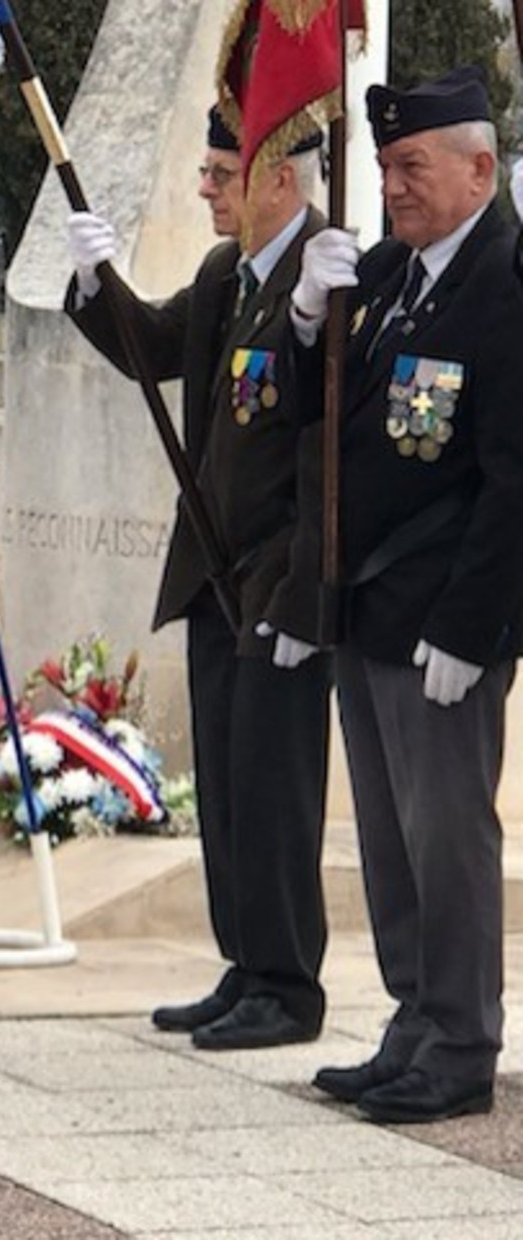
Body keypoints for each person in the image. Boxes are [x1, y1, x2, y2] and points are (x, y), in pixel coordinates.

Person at [264, 66, 523, 1123]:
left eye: (412, 166)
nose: (393, 186)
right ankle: (414, 1017)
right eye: (384, 167)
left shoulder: (506, 286)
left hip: (444, 621)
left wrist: (475, 624)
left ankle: (461, 1041)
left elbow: (514, 477)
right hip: (368, 610)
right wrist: (302, 313)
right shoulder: (388, 273)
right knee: (388, 836)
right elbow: (307, 424)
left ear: (479, 168)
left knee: (448, 834)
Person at [62, 109, 331, 1050]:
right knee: (225, 784)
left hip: (282, 574)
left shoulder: (328, 276)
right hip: (214, 572)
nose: (207, 189)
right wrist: (98, 282)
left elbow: (328, 444)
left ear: (280, 184)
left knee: (275, 786)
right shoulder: (230, 275)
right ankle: (246, 963)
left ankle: (290, 985)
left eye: (223, 173)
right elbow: (154, 349)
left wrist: (308, 585)